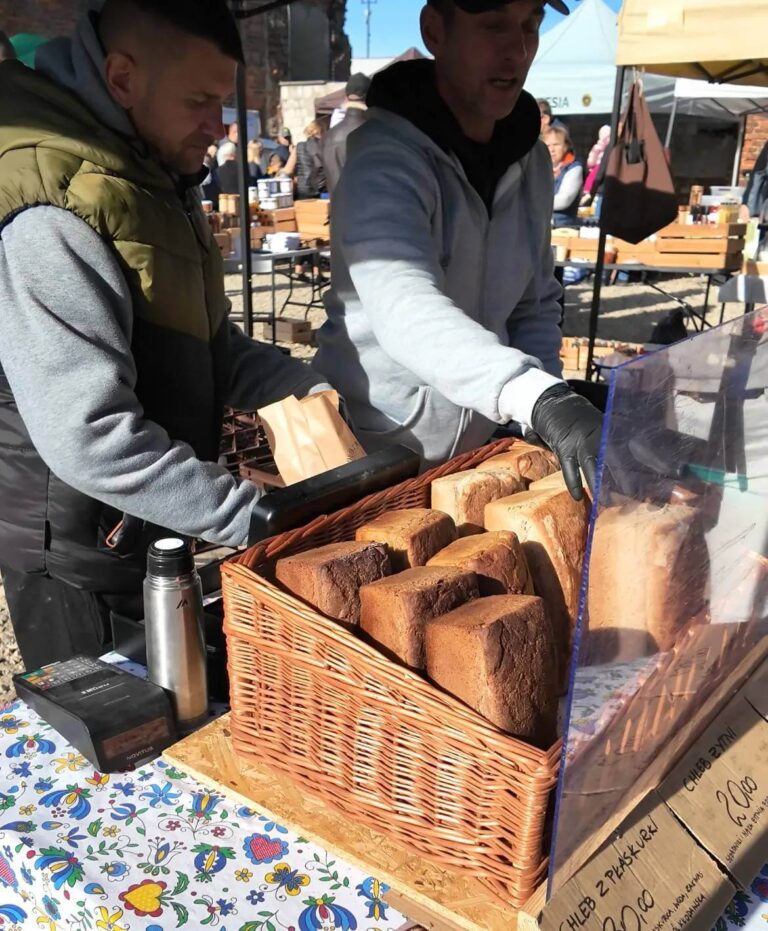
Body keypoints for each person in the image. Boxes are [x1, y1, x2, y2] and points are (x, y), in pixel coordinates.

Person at [0, 0, 328, 668]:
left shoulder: (146, 175)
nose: (219, 126)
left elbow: (205, 346)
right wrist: (251, 517)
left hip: (141, 527)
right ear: (122, 79)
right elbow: (90, 438)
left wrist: (308, 386)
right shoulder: (53, 213)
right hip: (78, 558)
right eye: (201, 101)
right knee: (115, 758)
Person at [313, 0, 602, 500]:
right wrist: (537, 396)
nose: (517, 49)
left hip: (484, 437)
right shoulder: (382, 160)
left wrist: (539, 413)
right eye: (493, 25)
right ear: (434, 32)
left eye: (531, 24)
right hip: (376, 447)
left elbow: (533, 302)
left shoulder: (529, 159)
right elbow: (403, 305)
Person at [322, 72, 371, 194]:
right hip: (367, 210)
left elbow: (318, 179)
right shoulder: (375, 134)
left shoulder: (328, 137)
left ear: (346, 97)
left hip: (338, 210)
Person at [545, 125, 583, 227]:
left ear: (565, 146)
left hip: (562, 227)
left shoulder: (574, 168)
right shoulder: (540, 168)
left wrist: (534, 204)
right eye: (547, 145)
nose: (551, 149)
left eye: (556, 144)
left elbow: (564, 200)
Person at [285, 120, 327, 200]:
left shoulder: (300, 147)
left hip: (304, 193)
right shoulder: (328, 147)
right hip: (323, 191)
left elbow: (288, 170)